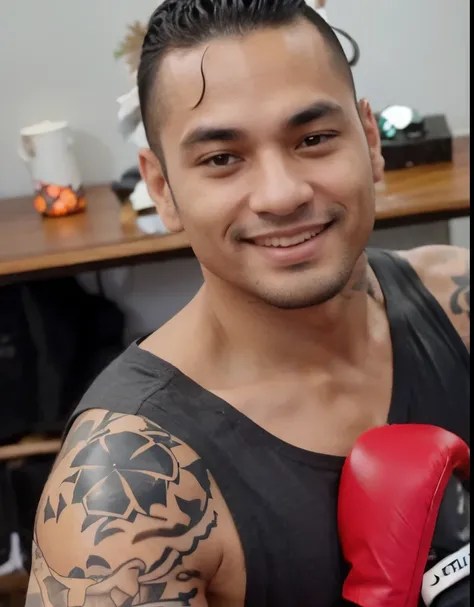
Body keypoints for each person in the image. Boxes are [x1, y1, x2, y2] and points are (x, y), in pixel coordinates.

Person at [26, 1, 470, 606]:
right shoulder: (122, 500)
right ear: (163, 189)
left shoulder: (458, 303)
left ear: (369, 139)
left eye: (314, 138)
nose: (282, 194)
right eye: (222, 159)